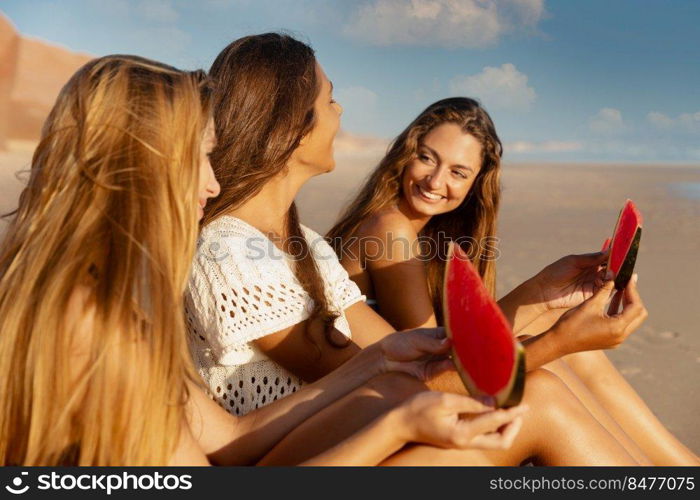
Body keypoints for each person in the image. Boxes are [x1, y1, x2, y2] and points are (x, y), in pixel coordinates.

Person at [0, 55, 530, 466]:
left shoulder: (118, 298)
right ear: (139, 170)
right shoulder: (100, 326)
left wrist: (384, 357)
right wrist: (397, 426)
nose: (212, 181)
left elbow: (226, 439)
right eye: (198, 159)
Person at [188, 33, 644, 466]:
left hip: (359, 435)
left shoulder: (302, 242)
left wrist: (547, 289)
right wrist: (558, 341)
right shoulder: (230, 255)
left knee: (547, 377)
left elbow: (405, 357)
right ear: (292, 125)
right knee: (540, 395)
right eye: (329, 99)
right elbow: (399, 384)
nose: (340, 109)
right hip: (315, 459)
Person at [327, 97, 699, 465]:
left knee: (574, 347)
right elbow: (436, 362)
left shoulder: (413, 231)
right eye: (426, 157)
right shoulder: (391, 231)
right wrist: (558, 337)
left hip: (391, 398)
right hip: (367, 420)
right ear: (404, 154)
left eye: (458, 172)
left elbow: (454, 350)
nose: (435, 180)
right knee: (550, 366)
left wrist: (546, 292)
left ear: (475, 184)